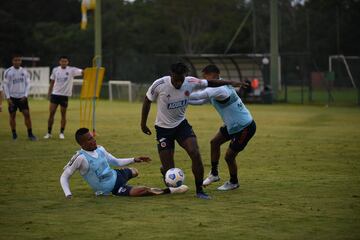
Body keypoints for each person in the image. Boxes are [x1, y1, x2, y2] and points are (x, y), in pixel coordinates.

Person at [141, 62, 243, 199]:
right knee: (170, 174)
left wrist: (232, 82)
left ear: (185, 76)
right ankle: (165, 171)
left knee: (195, 153)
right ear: (171, 75)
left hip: (181, 125)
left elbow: (211, 82)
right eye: (176, 79)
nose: (178, 83)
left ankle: (200, 190)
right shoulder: (159, 84)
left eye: (181, 79)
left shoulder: (190, 81)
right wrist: (143, 124)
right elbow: (147, 100)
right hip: (163, 129)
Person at [60, 128, 189, 199]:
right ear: (82, 144)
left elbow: (115, 161)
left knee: (135, 171)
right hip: (112, 189)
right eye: (89, 139)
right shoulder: (80, 158)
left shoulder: (100, 149)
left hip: (116, 175)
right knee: (143, 191)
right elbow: (65, 176)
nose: (93, 140)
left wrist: (135, 159)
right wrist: (68, 195)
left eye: (92, 137)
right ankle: (171, 190)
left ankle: (129, 175)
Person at [188, 64, 256, 191]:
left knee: (229, 157)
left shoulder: (219, 89)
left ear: (213, 75)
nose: (205, 81)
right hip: (233, 125)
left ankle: (233, 182)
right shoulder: (218, 85)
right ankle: (214, 174)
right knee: (214, 142)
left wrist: (180, 95)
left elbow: (199, 96)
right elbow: (201, 101)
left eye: (206, 77)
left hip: (244, 127)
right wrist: (183, 100)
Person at [44, 56, 83, 140]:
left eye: (65, 61)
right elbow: (52, 82)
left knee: (63, 115)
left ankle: (61, 133)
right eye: (62, 61)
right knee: (51, 113)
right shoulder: (55, 70)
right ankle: (49, 133)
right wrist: (49, 93)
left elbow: (82, 72)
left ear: (67, 62)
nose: (63, 63)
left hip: (64, 96)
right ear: (59, 62)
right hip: (55, 94)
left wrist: (91, 70)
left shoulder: (72, 70)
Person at [2, 54, 37, 140]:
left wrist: (25, 95)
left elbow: (28, 84)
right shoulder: (8, 71)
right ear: (12, 61)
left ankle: (30, 134)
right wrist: (8, 98)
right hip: (12, 98)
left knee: (27, 115)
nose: (17, 62)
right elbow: (5, 85)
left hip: (22, 97)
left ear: (21, 61)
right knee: (12, 116)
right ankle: (14, 134)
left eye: (18, 60)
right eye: (15, 60)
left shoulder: (24, 71)